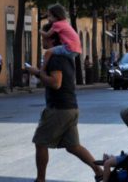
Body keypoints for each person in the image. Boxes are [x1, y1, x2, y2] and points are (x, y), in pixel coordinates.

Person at [26, 23, 103, 182]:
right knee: (73, 146)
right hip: (70, 107)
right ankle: (99, 171)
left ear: (52, 39)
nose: (42, 40)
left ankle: (40, 180)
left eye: (44, 37)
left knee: (40, 142)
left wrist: (37, 73)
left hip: (59, 108)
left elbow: (56, 83)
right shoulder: (66, 57)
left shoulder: (55, 58)